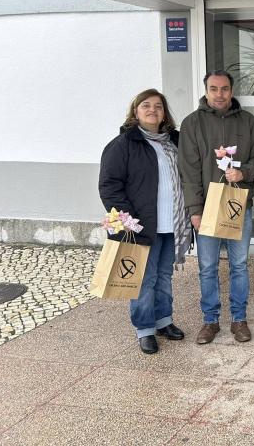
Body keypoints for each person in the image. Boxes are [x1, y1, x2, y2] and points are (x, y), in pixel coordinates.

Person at [99, 89, 190, 354]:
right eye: (146, 106)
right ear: (135, 111)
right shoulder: (124, 144)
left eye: (158, 106)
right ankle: (145, 329)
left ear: (165, 113)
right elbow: (109, 186)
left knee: (163, 276)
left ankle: (163, 321)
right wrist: (128, 220)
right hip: (141, 227)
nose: (153, 110)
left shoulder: (175, 140)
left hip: (172, 224)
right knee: (143, 279)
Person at [179, 71, 254, 345]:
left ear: (232, 90)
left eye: (224, 89)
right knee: (207, 266)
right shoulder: (192, 124)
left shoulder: (249, 122)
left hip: (238, 205)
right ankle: (210, 320)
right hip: (206, 208)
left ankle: (239, 319)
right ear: (206, 91)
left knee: (239, 265)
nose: (219, 94)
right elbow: (189, 171)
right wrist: (195, 208)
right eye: (213, 89)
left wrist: (245, 173)